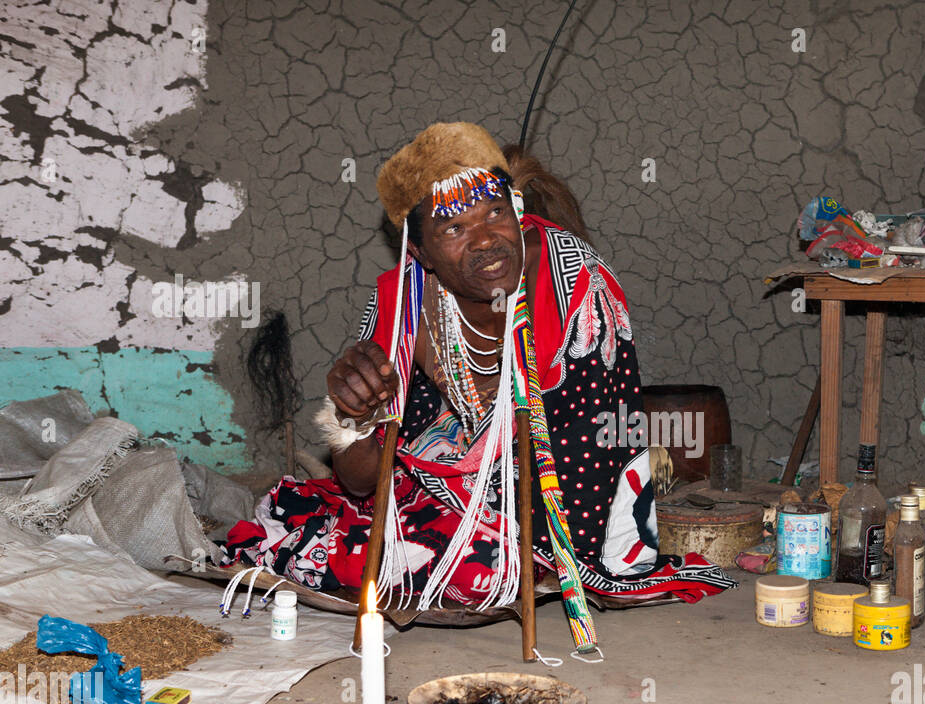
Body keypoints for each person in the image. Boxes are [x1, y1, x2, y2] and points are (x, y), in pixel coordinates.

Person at [222, 122, 733, 638]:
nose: (487, 240)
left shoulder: (577, 289)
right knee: (284, 520)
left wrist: (488, 504)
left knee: (479, 569)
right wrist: (352, 416)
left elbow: (600, 462)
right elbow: (357, 481)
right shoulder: (402, 304)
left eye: (495, 213)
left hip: (554, 505)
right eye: (454, 229)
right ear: (419, 254)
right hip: (434, 488)